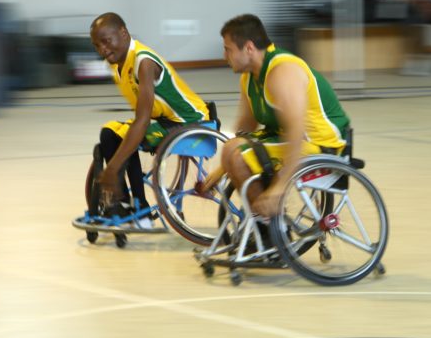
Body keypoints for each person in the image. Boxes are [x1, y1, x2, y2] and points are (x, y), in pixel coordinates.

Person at [219, 14, 350, 218]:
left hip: (320, 141)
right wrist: (222, 168)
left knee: (238, 158)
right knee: (230, 149)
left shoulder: (282, 71)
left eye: (228, 49)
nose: (224, 55)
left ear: (249, 48)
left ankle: (269, 223)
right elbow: (245, 128)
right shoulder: (249, 77)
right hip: (287, 137)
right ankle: (265, 221)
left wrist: (279, 187)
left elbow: (296, 130)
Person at [89, 12, 209, 227]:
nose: (103, 50)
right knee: (109, 133)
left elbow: (142, 121)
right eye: (97, 45)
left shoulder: (143, 62)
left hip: (189, 121)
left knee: (131, 136)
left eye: (106, 41)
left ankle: (142, 211)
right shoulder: (117, 63)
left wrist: (112, 169)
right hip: (165, 119)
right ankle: (124, 202)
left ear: (123, 33)